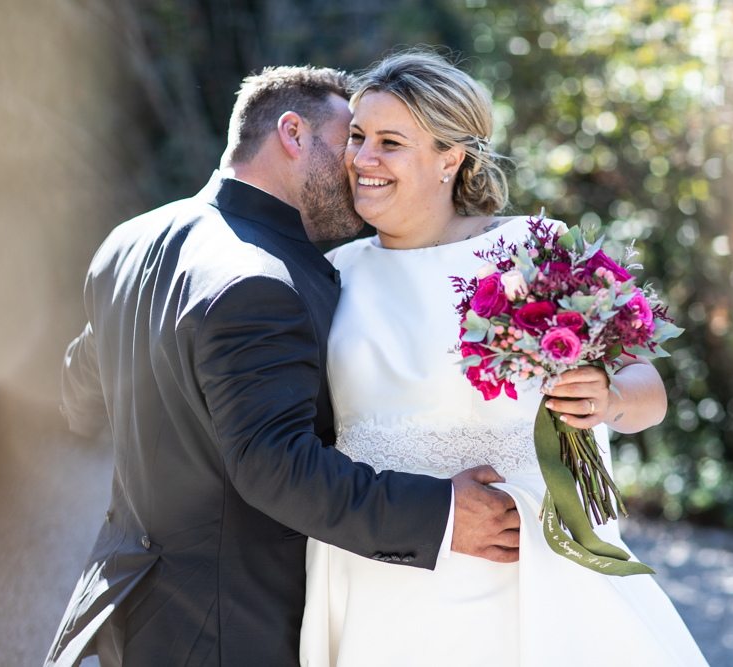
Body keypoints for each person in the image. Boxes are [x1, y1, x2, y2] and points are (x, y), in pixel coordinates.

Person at [45, 65, 520, 667]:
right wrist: (445, 514)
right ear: (292, 133)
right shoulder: (261, 277)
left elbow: (80, 389)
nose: (357, 165)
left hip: (128, 598)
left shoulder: (132, 242)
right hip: (225, 624)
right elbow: (275, 467)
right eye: (350, 138)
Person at [299, 51, 710, 666]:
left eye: (390, 142)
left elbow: (646, 389)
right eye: (357, 137)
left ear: (451, 158)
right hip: (380, 579)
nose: (363, 159)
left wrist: (608, 398)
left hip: (525, 575)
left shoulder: (532, 249)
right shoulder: (329, 276)